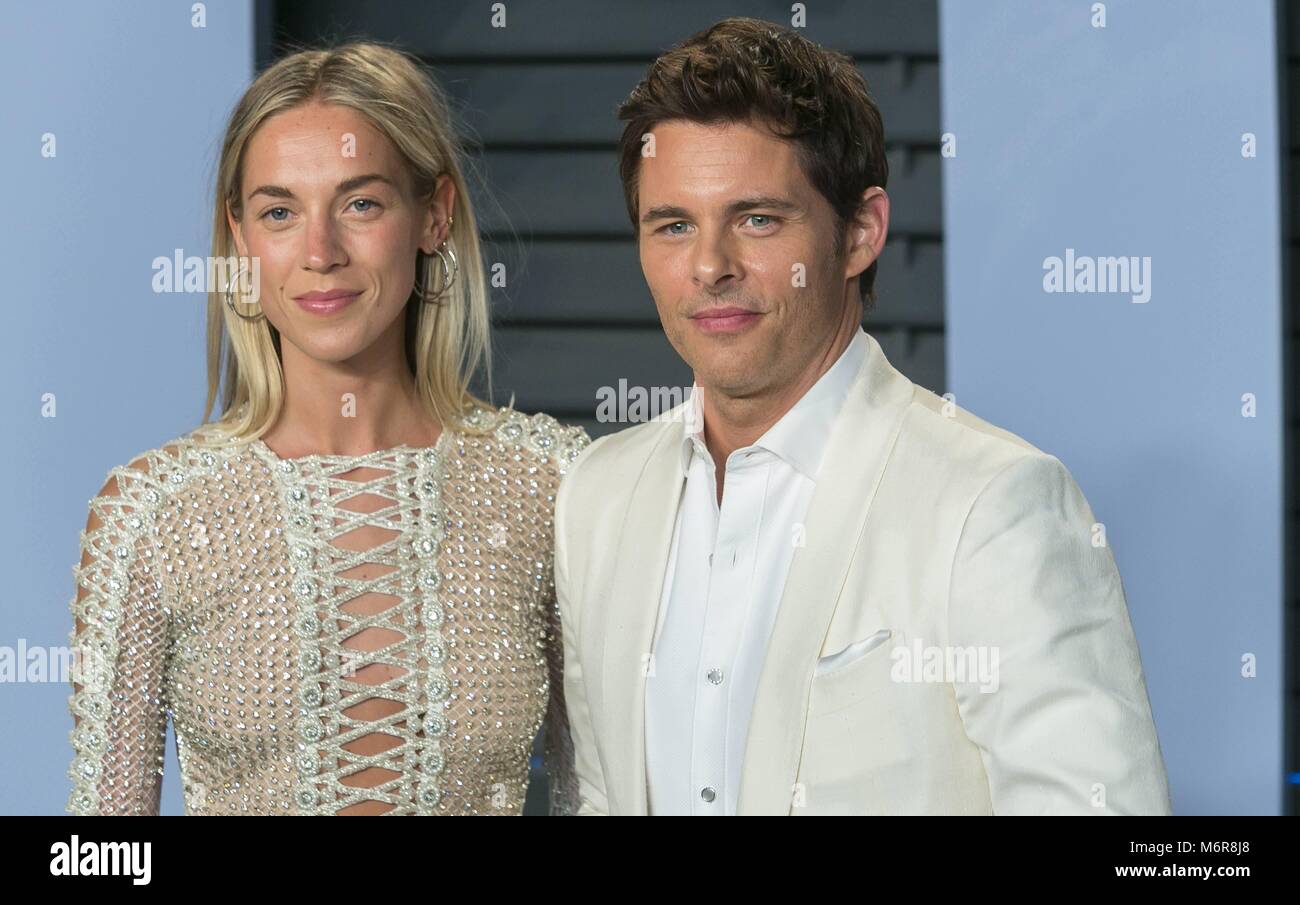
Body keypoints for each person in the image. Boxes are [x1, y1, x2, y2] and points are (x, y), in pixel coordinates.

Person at [554, 17, 1172, 815]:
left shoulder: (994, 506)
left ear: (860, 233)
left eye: (757, 219)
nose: (710, 267)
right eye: (673, 225)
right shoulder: (597, 498)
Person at [64, 41, 588, 815]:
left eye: (360, 203)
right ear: (242, 239)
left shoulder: (555, 486)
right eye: (280, 212)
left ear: (434, 215)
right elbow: (99, 849)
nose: (320, 253)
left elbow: (606, 797)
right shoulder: (151, 514)